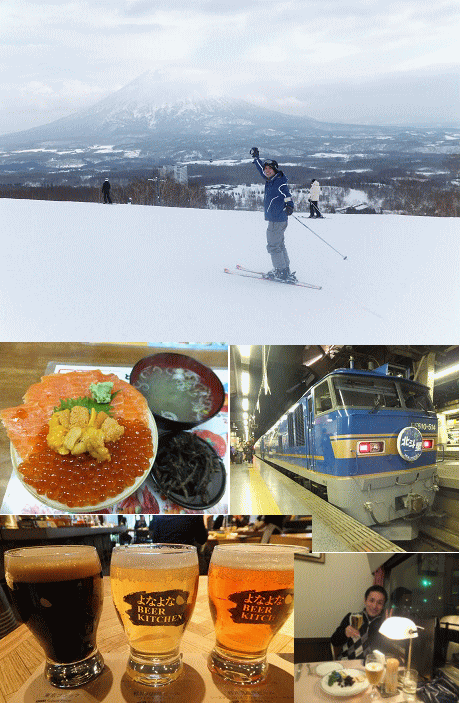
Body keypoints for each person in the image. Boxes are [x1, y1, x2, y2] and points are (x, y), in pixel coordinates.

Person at [249, 147, 296, 283]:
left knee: (273, 246)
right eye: (266, 168)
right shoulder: (271, 179)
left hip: (277, 219)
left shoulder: (279, 182)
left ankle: (280, 271)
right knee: (279, 244)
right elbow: (260, 169)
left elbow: (287, 195)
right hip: (278, 219)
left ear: (275, 169)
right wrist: (256, 159)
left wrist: (289, 206)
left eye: (270, 168)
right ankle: (285, 268)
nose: (267, 170)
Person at [331, 585, 388, 659]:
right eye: (371, 601)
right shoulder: (351, 617)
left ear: (383, 605)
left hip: (371, 665)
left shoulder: (385, 623)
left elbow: (387, 650)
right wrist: (345, 633)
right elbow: (334, 641)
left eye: (379, 603)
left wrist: (389, 628)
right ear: (365, 600)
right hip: (347, 662)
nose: (374, 606)